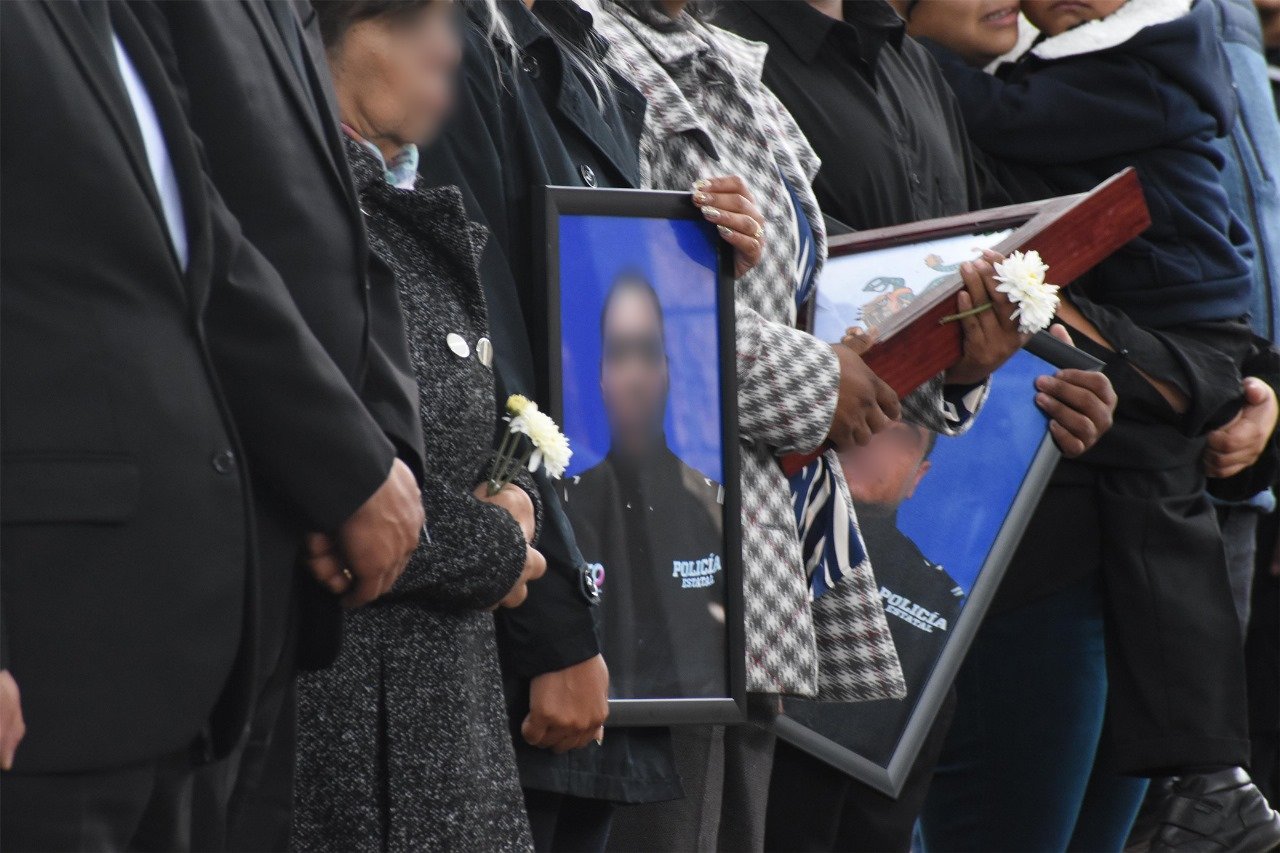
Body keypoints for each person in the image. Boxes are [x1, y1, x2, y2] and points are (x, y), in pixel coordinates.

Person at [591, 3, 1036, 850]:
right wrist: (819, 376)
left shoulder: (726, 56)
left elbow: (812, 305)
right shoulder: (589, 47)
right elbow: (603, 304)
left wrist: (954, 365)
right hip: (653, 552)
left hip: (760, 555)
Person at [0, 1, 423, 848]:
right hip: (62, 651)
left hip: (209, 628)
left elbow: (281, 239)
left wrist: (377, 451)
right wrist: (343, 465)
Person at [915, 0, 1280, 849]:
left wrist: (1253, 383)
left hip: (1163, 452)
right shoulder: (1048, 68)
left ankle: (1211, 775)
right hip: (1038, 523)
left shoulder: (1148, 58)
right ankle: (1210, 776)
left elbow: (1247, 239)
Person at [420, 4, 766, 848]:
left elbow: (595, 300)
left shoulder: (573, 48)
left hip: (605, 624)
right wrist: (557, 632)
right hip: (510, 623)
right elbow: (486, 368)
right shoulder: (446, 45)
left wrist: (701, 259)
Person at [128, 0, 426, 845]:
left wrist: (386, 450)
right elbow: (189, 217)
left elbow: (342, 236)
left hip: (287, 558)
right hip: (193, 530)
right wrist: (346, 467)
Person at [290, 2, 549, 849]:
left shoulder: (398, 206)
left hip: (440, 731)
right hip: (345, 732)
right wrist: (496, 540)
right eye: (411, 22)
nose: (446, 47)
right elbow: (333, 500)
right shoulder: (305, 213)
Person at [562, 273, 726, 700]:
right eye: (618, 354)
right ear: (596, 373)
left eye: (649, 353)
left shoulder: (705, 507)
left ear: (669, 369)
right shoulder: (566, 503)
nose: (635, 377)